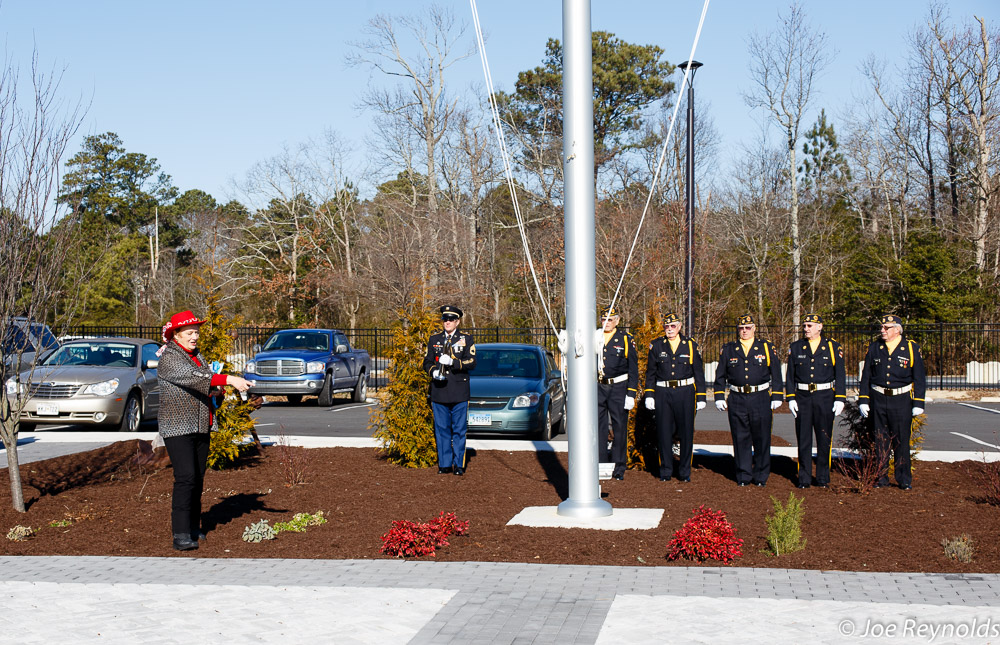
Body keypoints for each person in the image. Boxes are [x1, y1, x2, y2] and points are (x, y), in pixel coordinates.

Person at [157, 310, 252, 551]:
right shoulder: (169, 357)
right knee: (186, 478)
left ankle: (193, 527)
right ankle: (179, 534)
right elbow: (194, 377)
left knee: (197, 479)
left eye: (196, 333)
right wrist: (228, 379)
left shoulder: (197, 356)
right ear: (176, 335)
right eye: (189, 333)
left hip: (201, 423)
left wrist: (217, 390)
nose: (194, 337)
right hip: (177, 426)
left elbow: (204, 380)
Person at [713, 314, 783, 487]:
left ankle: (761, 476)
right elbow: (720, 375)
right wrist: (719, 396)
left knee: (762, 438)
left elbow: (776, 373)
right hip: (737, 398)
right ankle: (744, 475)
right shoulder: (729, 349)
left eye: (748, 328)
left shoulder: (765, 347)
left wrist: (777, 395)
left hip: (760, 397)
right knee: (740, 437)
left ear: (754, 329)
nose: (744, 331)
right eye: (741, 328)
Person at [858, 314, 926, 490]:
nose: (882, 331)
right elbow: (866, 376)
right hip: (878, 398)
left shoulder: (911, 348)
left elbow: (919, 377)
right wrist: (863, 399)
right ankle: (881, 477)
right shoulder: (875, 348)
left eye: (886, 328)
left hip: (901, 400)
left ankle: (904, 479)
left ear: (897, 330)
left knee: (901, 441)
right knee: (880, 440)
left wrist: (918, 402)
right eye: (882, 327)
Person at [643, 312, 707, 482]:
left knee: (686, 433)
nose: (669, 329)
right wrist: (649, 394)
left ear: (679, 327)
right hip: (663, 392)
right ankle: (665, 471)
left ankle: (685, 472)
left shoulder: (690, 345)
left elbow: (698, 372)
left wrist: (701, 396)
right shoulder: (656, 346)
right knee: (664, 433)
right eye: (667, 326)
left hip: (685, 392)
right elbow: (651, 373)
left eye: (673, 326)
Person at [785, 313, 846, 489]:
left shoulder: (832, 347)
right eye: (804, 326)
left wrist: (840, 398)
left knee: (824, 439)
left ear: (820, 327)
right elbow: (790, 376)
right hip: (803, 397)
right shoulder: (796, 347)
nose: (806, 329)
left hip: (825, 397)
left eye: (810, 326)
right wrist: (791, 397)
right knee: (803, 439)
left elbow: (840, 374)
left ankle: (822, 477)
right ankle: (803, 478)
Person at [423, 305, 477, 475]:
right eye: (445, 319)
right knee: (441, 429)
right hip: (439, 390)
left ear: (457, 321)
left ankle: (458, 465)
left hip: (459, 391)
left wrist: (453, 362)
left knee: (459, 430)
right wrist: (434, 371)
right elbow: (427, 362)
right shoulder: (434, 339)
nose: (447, 322)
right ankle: (444, 464)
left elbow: (472, 362)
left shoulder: (466, 339)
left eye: (451, 319)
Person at [596, 305, 638, 480]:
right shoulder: (595, 337)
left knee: (619, 427)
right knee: (599, 427)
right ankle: (600, 463)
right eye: (604, 319)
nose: (606, 323)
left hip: (618, 387)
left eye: (610, 319)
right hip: (598, 386)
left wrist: (631, 393)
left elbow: (633, 368)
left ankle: (619, 465)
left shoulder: (625, 339)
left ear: (617, 321)